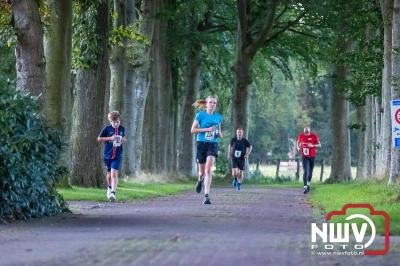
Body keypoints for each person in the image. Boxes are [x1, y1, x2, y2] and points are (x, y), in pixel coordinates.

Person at [191, 96, 223, 204]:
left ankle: (206, 196)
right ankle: (200, 180)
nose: (212, 104)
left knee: (208, 170)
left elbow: (219, 132)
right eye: (210, 102)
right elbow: (193, 130)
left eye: (214, 103)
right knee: (201, 172)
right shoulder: (200, 115)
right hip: (201, 144)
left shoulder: (218, 117)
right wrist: (207, 129)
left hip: (212, 144)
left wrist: (219, 134)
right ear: (206, 104)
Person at [97, 111, 127, 202]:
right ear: (111, 121)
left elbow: (125, 139)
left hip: (117, 155)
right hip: (108, 155)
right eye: (114, 122)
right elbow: (99, 138)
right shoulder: (107, 129)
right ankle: (109, 187)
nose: (116, 123)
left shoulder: (122, 129)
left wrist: (122, 139)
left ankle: (113, 193)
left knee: (114, 173)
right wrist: (110, 138)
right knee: (109, 175)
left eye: (118, 121)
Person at [296, 126, 321, 194]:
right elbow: (298, 142)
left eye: (307, 132)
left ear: (310, 131)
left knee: (310, 172)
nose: (306, 134)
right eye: (305, 132)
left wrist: (312, 145)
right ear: (304, 131)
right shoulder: (301, 136)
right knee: (305, 171)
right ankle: (305, 187)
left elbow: (319, 145)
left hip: (312, 156)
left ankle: (308, 183)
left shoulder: (314, 136)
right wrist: (298, 147)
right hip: (304, 156)